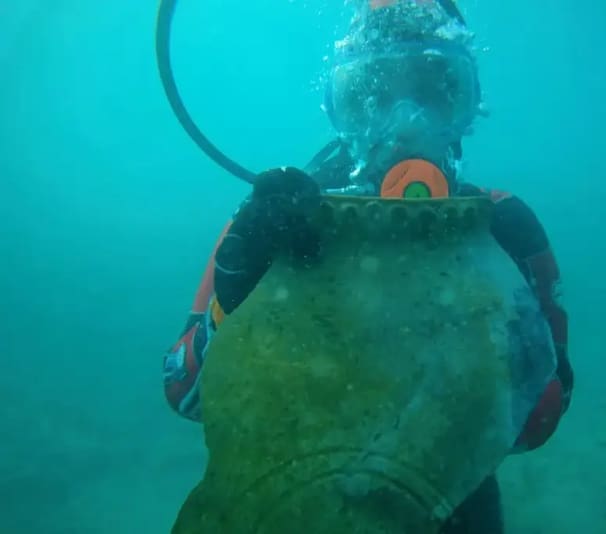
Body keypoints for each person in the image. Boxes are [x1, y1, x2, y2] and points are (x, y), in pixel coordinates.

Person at [162, 1, 573, 532]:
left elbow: (539, 421)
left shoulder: (504, 228)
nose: (406, 124)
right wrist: (233, 299)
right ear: (340, 110)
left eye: (434, 91)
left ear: (466, 108)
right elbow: (184, 392)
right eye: (372, 95)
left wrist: (498, 325)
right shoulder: (276, 221)